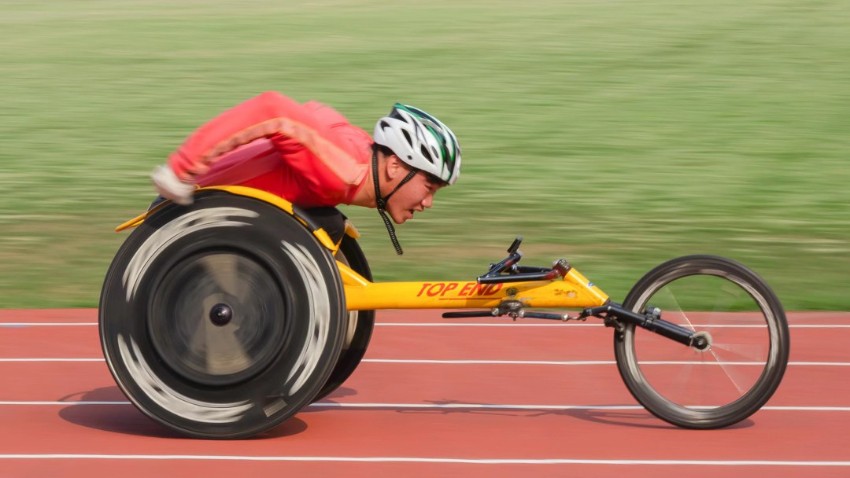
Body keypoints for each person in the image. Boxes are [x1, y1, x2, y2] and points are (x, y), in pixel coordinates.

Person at [151, 91, 461, 254]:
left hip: (235, 214)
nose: (427, 202)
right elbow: (271, 108)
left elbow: (318, 113)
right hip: (188, 215)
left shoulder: (359, 153)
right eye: (429, 187)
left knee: (329, 225)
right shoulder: (343, 169)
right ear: (394, 167)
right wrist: (180, 169)